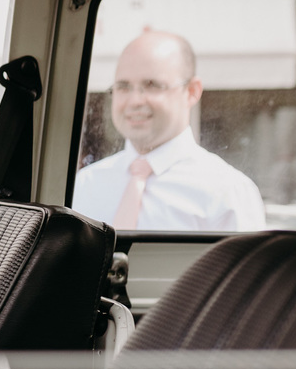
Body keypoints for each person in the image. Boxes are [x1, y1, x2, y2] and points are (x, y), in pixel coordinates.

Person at [73, 30, 265, 231]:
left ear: (192, 91)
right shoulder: (84, 185)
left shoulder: (228, 193)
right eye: (123, 86)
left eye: (152, 85)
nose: (135, 100)